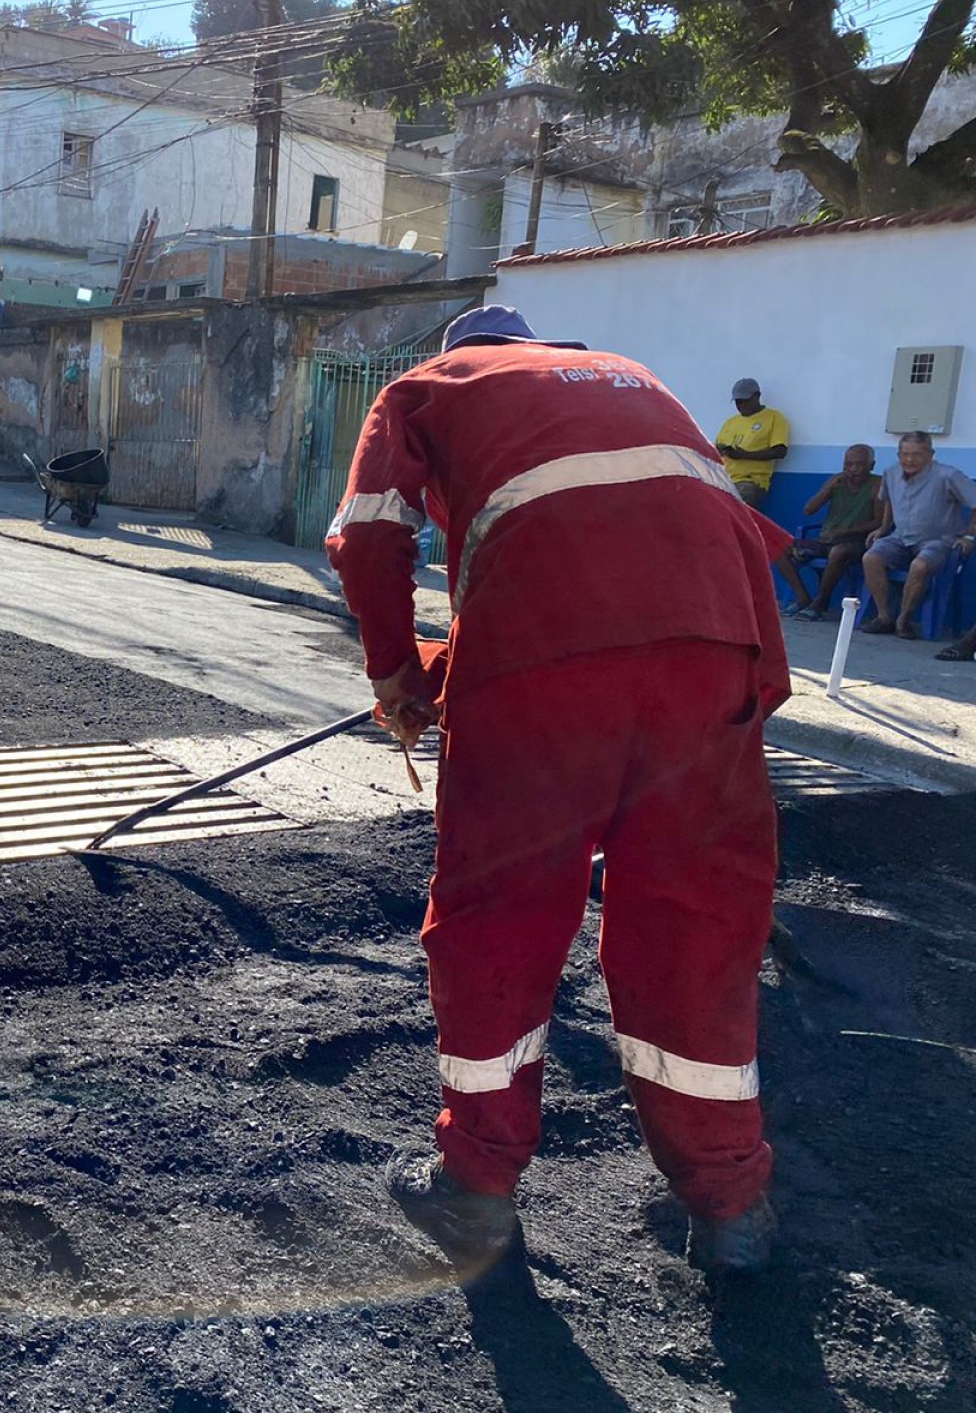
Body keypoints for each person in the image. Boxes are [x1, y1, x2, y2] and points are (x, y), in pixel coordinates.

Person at [326, 305, 789, 1275]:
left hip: (544, 674)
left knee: (502, 913)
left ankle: (475, 1188)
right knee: (696, 932)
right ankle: (732, 1209)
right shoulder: (632, 376)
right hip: (716, 661)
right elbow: (693, 552)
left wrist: (396, 678)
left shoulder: (431, 388)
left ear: (461, 351)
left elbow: (369, 540)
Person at [860, 431, 976, 639]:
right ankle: (884, 617)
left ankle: (903, 620)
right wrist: (884, 528)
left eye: (916, 454)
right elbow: (888, 500)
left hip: (939, 540)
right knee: (871, 557)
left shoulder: (948, 475)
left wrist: (968, 536)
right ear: (898, 455)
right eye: (904, 454)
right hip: (900, 537)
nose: (910, 460)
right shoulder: (891, 473)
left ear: (930, 455)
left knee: (920, 566)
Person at [774, 444, 879, 619]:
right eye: (848, 464)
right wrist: (828, 489)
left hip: (857, 543)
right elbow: (808, 510)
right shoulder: (836, 481)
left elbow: (879, 521)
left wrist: (846, 531)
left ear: (871, 465)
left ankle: (821, 602)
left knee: (839, 551)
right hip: (826, 541)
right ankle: (802, 597)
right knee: (779, 546)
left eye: (859, 464)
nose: (853, 470)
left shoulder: (877, 485)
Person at [714, 378, 791, 509]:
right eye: (738, 402)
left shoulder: (774, 418)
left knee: (735, 504)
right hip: (725, 478)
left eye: (745, 401)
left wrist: (745, 455)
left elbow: (780, 451)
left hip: (750, 481)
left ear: (757, 396)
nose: (740, 406)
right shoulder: (731, 422)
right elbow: (717, 447)